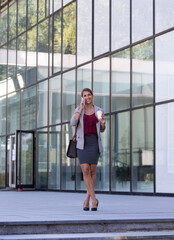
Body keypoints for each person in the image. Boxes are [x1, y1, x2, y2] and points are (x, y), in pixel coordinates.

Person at [70, 88, 106, 211]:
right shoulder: (78, 109)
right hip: (82, 144)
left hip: (94, 143)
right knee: (85, 170)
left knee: (92, 171)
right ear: (82, 98)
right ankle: (94, 200)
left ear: (92, 96)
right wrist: (80, 108)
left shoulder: (99, 110)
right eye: (84, 95)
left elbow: (102, 129)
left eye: (89, 95)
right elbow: (72, 122)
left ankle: (87, 200)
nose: (87, 97)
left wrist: (102, 124)